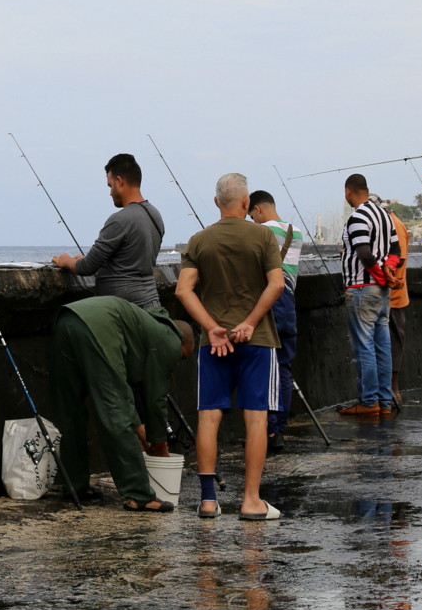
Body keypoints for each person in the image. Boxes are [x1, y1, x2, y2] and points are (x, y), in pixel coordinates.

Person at [175, 173, 284, 520]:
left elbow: (183, 290)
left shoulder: (199, 240)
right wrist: (250, 322)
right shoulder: (263, 235)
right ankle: (251, 500)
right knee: (256, 420)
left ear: (216, 203)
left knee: (209, 416)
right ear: (246, 203)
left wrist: (212, 328)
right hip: (257, 341)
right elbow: (277, 284)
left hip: (214, 344)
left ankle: (208, 500)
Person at [48, 295, 194, 513]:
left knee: (70, 411)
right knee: (113, 414)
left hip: (67, 319)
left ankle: (75, 486)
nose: (178, 362)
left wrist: (138, 428)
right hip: (98, 329)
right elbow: (155, 399)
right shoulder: (170, 341)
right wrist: (159, 445)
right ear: (182, 342)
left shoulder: (145, 327)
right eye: (182, 357)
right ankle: (140, 495)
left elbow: (125, 388)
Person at [52, 154, 165, 308]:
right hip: (151, 304)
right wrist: (92, 258)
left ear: (119, 181)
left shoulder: (120, 220)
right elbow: (131, 261)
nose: (110, 192)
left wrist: (67, 261)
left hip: (127, 311)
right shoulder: (155, 215)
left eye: (110, 186)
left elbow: (87, 267)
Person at [335, 175, 401, 419]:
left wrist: (383, 276)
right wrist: (389, 271)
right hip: (382, 293)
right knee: (382, 347)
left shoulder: (357, 216)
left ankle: (368, 401)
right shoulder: (384, 215)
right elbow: (396, 250)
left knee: (364, 349)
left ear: (349, 191)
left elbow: (363, 253)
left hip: (363, 288)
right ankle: (384, 401)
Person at [247, 190, 303, 453]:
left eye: (251, 215)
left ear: (257, 209)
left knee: (265, 367)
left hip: (270, 301)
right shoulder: (297, 232)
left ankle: (266, 427)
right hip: (289, 300)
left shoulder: (261, 232)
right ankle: (277, 430)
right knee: (284, 368)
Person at [381, 199, 411, 406]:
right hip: (384, 295)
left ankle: (393, 391)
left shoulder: (395, 225)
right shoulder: (387, 223)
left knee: (392, 344)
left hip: (394, 297)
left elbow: (398, 258)